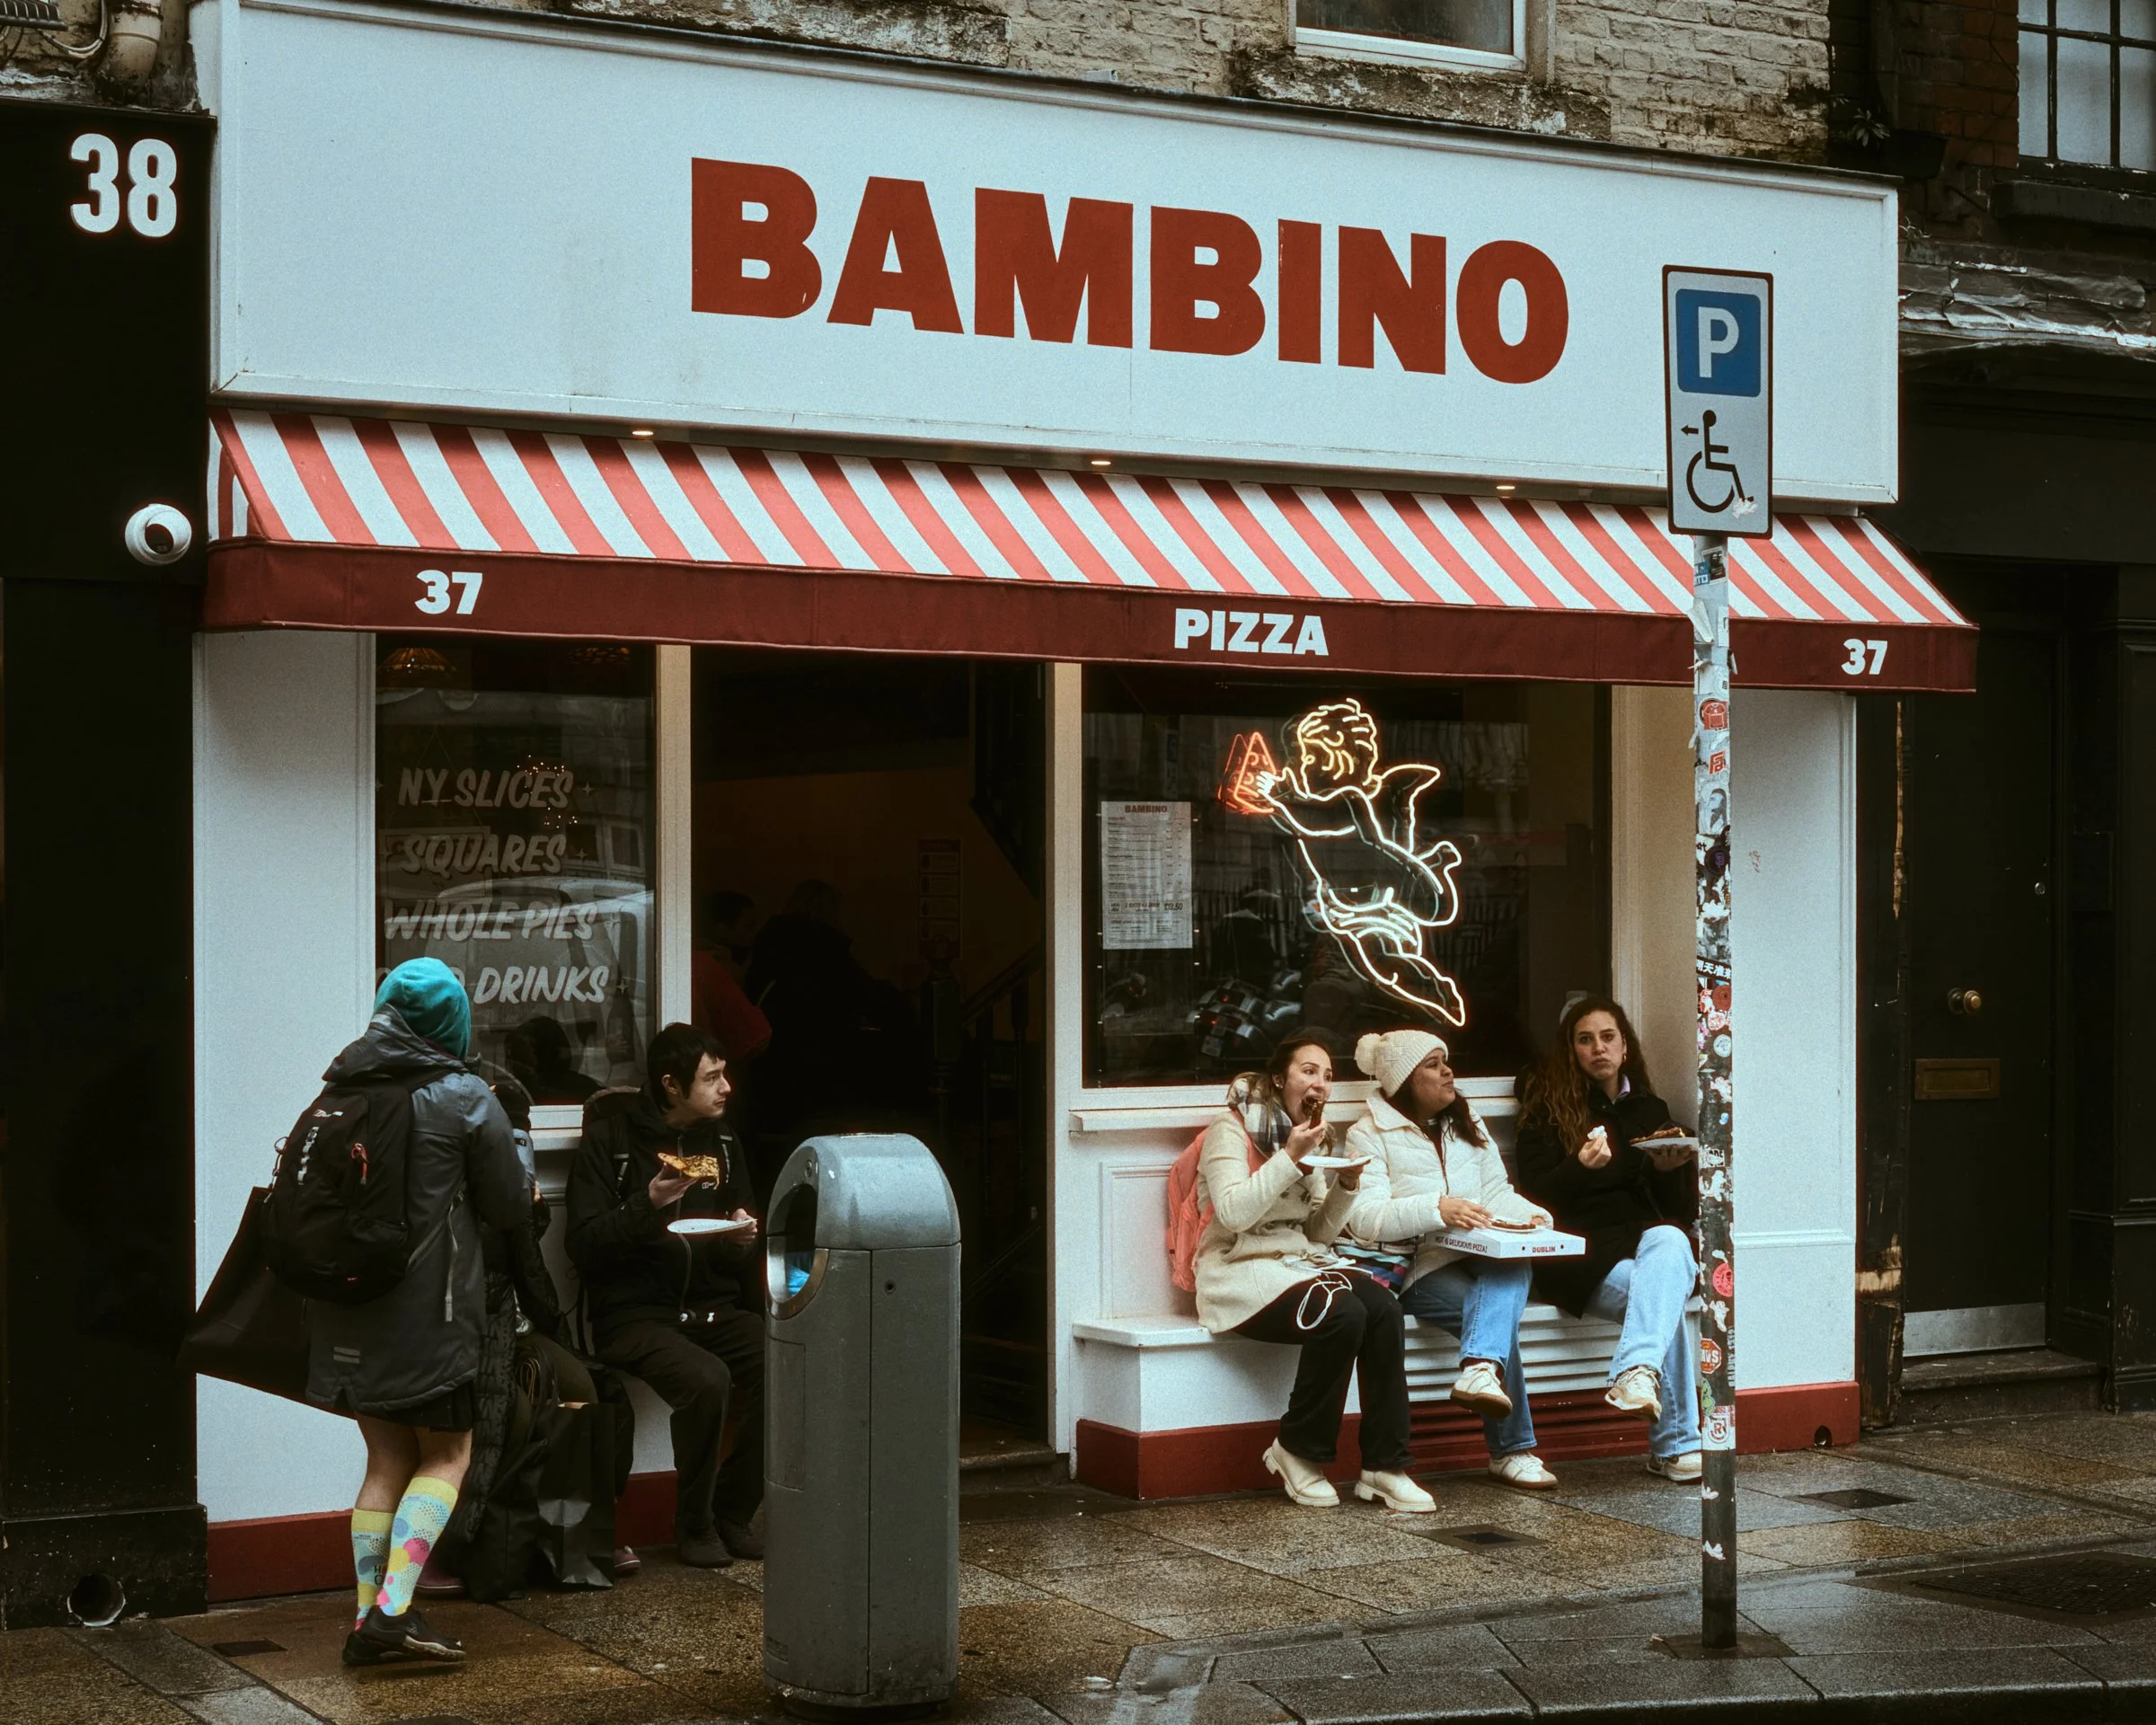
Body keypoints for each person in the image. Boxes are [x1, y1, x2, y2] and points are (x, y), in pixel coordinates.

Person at [312, 959, 530, 1666]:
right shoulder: (465, 1095)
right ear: (452, 1022)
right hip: (430, 1317)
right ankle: (396, 1611)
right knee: (448, 1452)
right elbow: (506, 1205)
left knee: (384, 1455)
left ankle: (364, 1617)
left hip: (351, 1305)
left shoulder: (342, 1085)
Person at [1191, 1035, 1434, 1514]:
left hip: (1296, 1265)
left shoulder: (1310, 1132)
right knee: (1341, 1313)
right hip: (1237, 1272)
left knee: (1383, 1306)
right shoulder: (1230, 1129)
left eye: (1327, 1074)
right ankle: (1297, 1450)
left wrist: (1347, 1183)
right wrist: (1289, 1158)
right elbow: (1235, 1213)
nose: (1319, 1082)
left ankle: (1384, 1465)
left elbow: (1319, 1231)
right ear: (1280, 1078)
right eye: (1308, 1071)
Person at [567, 1022, 764, 1567]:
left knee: (789, 1364)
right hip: (635, 1316)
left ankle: (733, 1511)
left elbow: (732, 1237)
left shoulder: (722, 1143)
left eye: (726, 1075)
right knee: (707, 1380)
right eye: (714, 1078)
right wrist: (645, 1204)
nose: (728, 1088)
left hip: (710, 1307)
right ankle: (694, 1524)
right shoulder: (612, 1141)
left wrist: (741, 1237)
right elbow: (582, 1245)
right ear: (672, 1085)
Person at [1342, 1029, 1559, 1491]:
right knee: (1498, 1322)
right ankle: (1512, 1450)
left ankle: (1479, 1370)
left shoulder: (1467, 1121)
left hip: (1481, 1251)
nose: (1448, 1072)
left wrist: (1534, 1216)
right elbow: (1365, 1218)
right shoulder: (1367, 1134)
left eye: (1446, 1061)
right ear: (1404, 1080)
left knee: (1514, 1268)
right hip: (1420, 1266)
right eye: (1433, 1064)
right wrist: (1435, 1208)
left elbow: (1497, 1193)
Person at [1515, 995, 1702, 1482]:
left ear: (1624, 1046)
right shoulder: (1548, 1109)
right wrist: (1578, 1168)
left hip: (1643, 1244)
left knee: (1670, 1240)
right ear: (1570, 1049)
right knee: (1666, 1302)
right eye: (1585, 1039)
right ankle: (1676, 1445)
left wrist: (1668, 1173)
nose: (1598, 1048)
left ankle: (1636, 1373)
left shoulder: (1649, 1108)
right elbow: (1532, 1198)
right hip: (1581, 1255)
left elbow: (1677, 1213)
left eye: (1607, 1037)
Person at [692, 889, 771, 1065]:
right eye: (749, 926)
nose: (755, 934)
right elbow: (755, 1040)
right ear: (723, 930)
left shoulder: (682, 960)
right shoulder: (710, 966)